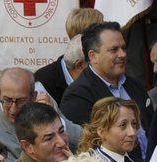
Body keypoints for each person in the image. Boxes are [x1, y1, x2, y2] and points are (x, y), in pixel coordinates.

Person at [59, 22, 151, 153]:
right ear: (93, 56)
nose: (123, 54)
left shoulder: (134, 85)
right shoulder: (78, 96)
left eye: (123, 48)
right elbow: (89, 144)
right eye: (114, 50)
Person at [0, 67, 39, 160]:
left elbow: (72, 139)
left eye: (21, 101)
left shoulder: (45, 106)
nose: (13, 110)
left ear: (33, 97)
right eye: (7, 100)